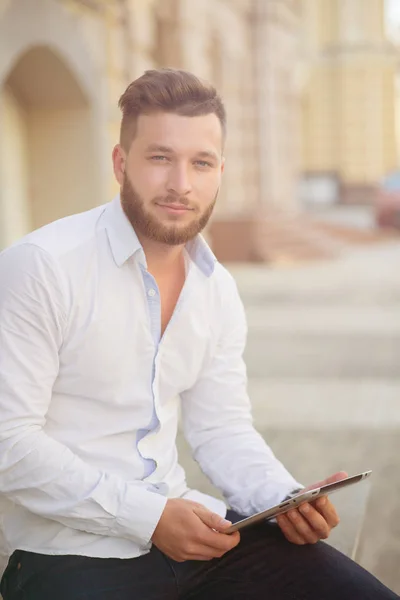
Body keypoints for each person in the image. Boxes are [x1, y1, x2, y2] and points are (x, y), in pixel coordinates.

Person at [0, 68, 397, 600]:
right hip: (68, 554)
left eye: (200, 163)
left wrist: (282, 498)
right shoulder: (41, 267)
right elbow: (9, 442)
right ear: (122, 164)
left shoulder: (216, 289)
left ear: (219, 172)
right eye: (160, 157)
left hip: (195, 534)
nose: (181, 184)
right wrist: (149, 516)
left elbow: (222, 430)